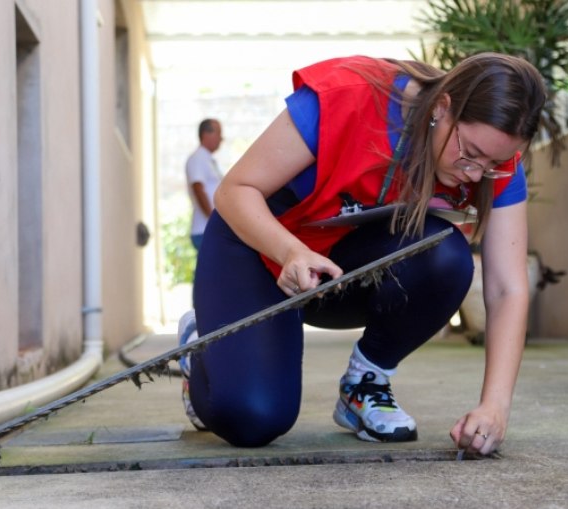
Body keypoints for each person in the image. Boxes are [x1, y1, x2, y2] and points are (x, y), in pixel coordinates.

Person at [177, 53, 546, 455]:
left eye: (493, 164)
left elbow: (507, 288)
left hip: (333, 270)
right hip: (257, 246)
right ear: (443, 107)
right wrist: (290, 252)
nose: (476, 174)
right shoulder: (349, 94)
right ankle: (205, 349)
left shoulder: (491, 158)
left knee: (445, 254)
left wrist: (495, 407)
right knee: (253, 418)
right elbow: (235, 191)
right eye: (470, 153)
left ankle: (366, 381)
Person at [184, 118, 224, 250]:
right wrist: (213, 219)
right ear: (206, 134)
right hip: (204, 229)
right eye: (218, 133)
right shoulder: (198, 158)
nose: (221, 139)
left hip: (209, 228)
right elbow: (198, 189)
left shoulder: (207, 159)